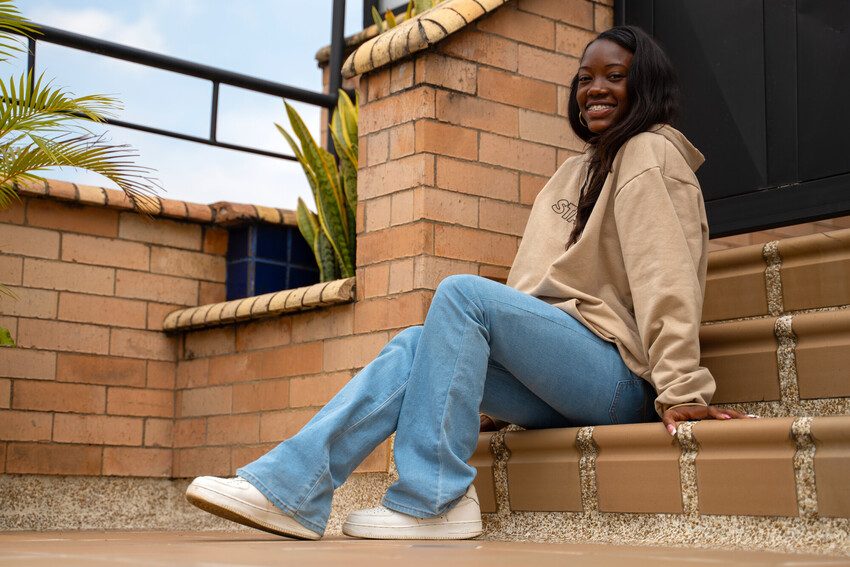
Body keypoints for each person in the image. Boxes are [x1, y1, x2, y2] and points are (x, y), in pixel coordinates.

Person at [185, 25, 750, 541]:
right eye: (584, 79)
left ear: (645, 84)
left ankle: (433, 499)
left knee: (461, 293)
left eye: (614, 76)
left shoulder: (651, 154)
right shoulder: (571, 173)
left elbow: (666, 277)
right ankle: (293, 490)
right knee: (414, 343)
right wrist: (485, 380)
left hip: (621, 378)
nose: (594, 88)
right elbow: (532, 291)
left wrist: (680, 389)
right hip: (565, 375)